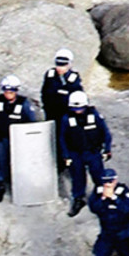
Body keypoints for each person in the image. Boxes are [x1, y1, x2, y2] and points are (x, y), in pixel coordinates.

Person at [0, 75, 35, 202]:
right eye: (6, 91)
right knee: (0, 161)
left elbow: (31, 121)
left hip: (19, 139)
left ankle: (19, 184)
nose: (8, 94)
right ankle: (0, 184)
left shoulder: (23, 104)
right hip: (1, 138)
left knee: (19, 163)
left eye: (11, 92)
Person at [59, 90, 111, 217]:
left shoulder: (95, 116)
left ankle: (101, 199)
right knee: (77, 177)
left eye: (80, 108)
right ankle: (78, 199)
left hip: (93, 152)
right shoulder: (66, 119)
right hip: (75, 153)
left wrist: (107, 149)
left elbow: (106, 133)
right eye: (75, 108)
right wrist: (65, 155)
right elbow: (62, 138)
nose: (77, 111)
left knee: (98, 176)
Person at [40, 49, 83, 184]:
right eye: (58, 64)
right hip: (51, 112)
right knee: (52, 138)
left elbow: (77, 97)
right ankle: (56, 163)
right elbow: (44, 92)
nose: (60, 68)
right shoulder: (50, 74)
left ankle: (68, 164)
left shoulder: (73, 79)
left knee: (67, 140)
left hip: (66, 114)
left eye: (63, 65)